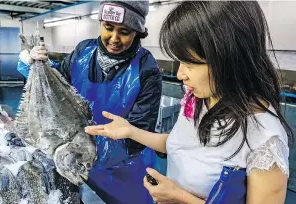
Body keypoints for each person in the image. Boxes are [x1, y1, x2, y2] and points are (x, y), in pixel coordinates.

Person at [85, 1, 294, 203]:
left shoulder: (265, 140)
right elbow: (181, 145)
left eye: (190, 63)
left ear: (229, 59)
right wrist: (131, 131)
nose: (180, 75)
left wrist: (180, 198)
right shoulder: (202, 99)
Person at [17, 1, 162, 203]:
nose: (114, 38)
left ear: (138, 32)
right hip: (79, 165)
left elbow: (139, 133)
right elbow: (57, 82)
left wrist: (84, 152)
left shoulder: (147, 70)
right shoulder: (83, 51)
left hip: (126, 172)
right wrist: (33, 65)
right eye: (108, 28)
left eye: (125, 32)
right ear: (101, 23)